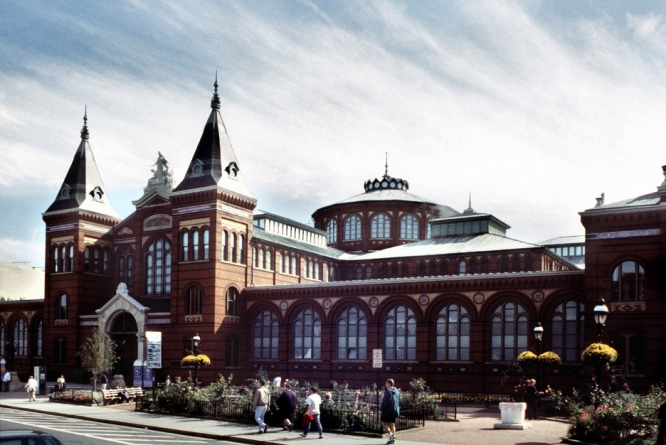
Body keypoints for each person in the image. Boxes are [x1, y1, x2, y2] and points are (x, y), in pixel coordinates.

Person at [380, 379, 401, 445]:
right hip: (395, 410)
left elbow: (385, 402)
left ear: (389, 384)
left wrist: (381, 409)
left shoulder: (388, 391)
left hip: (388, 411)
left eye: (386, 383)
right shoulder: (397, 391)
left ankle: (390, 435)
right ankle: (391, 439)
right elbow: (400, 401)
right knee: (392, 424)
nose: (385, 385)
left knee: (383, 423)